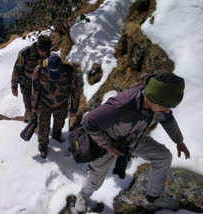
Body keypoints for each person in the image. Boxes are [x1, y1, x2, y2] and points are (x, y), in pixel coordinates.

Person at [74, 72, 191, 213]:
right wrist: (108, 145)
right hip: (104, 143)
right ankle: (82, 196)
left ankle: (153, 200)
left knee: (163, 156)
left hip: (131, 138)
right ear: (152, 98)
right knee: (96, 177)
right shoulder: (122, 105)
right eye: (165, 106)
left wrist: (179, 141)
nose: (167, 110)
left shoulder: (155, 100)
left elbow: (167, 119)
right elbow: (89, 121)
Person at [31, 54, 82, 158]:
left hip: (62, 103)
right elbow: (35, 89)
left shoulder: (69, 71)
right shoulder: (39, 71)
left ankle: (56, 138)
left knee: (58, 125)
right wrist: (34, 106)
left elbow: (75, 91)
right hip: (44, 103)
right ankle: (43, 145)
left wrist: (73, 108)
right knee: (43, 126)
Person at [11, 35, 52, 122]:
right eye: (43, 51)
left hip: (40, 85)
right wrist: (14, 86)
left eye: (46, 51)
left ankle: (29, 120)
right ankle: (32, 128)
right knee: (29, 108)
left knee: (38, 107)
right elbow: (17, 70)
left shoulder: (47, 53)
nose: (45, 54)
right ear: (38, 47)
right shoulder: (25, 53)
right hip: (26, 85)